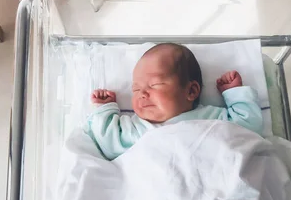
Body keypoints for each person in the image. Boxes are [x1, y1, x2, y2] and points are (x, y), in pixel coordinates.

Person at [86, 43, 264, 159]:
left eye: (154, 84)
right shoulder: (137, 128)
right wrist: (105, 110)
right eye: (136, 89)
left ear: (191, 91)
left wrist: (234, 93)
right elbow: (110, 144)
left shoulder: (210, 118)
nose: (142, 94)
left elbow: (248, 127)